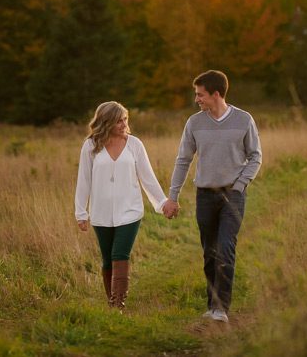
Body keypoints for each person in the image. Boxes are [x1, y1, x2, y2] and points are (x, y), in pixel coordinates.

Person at [162, 70, 262, 324]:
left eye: (200, 94)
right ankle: (212, 304)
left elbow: (255, 156)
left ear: (216, 94)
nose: (197, 99)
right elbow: (183, 160)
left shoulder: (243, 119)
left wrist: (240, 185)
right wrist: (172, 197)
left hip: (233, 195)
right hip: (205, 195)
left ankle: (220, 309)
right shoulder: (194, 123)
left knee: (226, 247)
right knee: (210, 251)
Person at [75, 101, 169, 311]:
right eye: (118, 120)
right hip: (100, 213)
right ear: (106, 122)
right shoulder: (90, 145)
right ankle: (112, 303)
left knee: (120, 254)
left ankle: (118, 304)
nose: (123, 124)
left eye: (125, 119)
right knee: (107, 259)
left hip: (130, 211)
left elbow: (148, 178)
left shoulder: (135, 144)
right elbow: (84, 181)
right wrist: (81, 213)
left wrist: (162, 203)